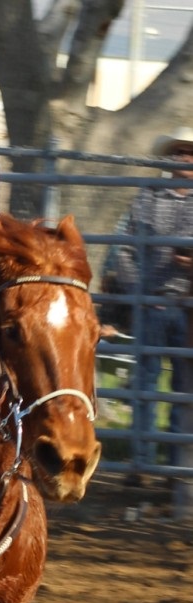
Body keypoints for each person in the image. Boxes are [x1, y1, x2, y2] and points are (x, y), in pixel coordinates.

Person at [113, 127, 193, 462]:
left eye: (190, 153)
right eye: (180, 152)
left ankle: (177, 463)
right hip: (152, 302)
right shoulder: (148, 196)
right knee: (145, 382)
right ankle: (142, 460)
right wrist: (139, 291)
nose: (185, 159)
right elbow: (123, 248)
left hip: (187, 305)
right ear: (171, 157)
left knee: (184, 387)